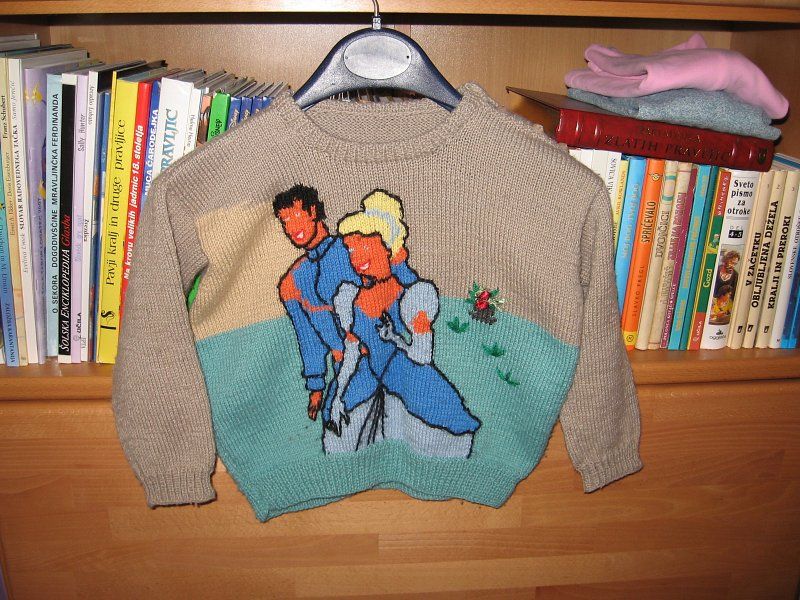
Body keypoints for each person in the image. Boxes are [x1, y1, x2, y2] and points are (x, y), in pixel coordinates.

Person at [326, 189, 481, 458]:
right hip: (377, 389)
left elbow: (422, 356)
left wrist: (396, 339)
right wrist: (338, 396)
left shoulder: (414, 295)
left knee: (435, 444)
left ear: (387, 247)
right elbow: (351, 351)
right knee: (343, 438)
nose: (356, 256)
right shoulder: (349, 298)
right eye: (350, 248)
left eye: (364, 245)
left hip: (416, 391)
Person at [273, 184, 416, 427]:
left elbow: (399, 283)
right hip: (347, 367)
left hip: (388, 354)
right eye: (285, 221)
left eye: (297, 215)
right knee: (338, 424)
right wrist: (316, 385)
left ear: (313, 211)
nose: (292, 227)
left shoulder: (351, 247)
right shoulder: (291, 283)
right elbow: (307, 337)